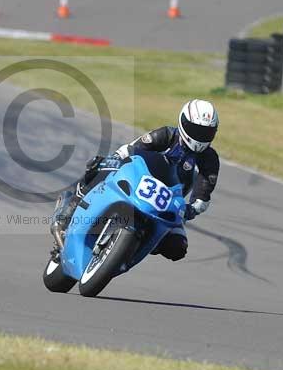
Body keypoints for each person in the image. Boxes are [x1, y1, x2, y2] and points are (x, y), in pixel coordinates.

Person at [51, 99, 219, 262]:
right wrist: (114, 159)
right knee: (98, 167)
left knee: (177, 247)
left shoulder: (210, 159)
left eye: (205, 132)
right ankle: (70, 209)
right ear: (183, 123)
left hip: (166, 203)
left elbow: (203, 196)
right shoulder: (167, 135)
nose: (200, 136)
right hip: (137, 181)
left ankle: (129, 249)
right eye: (195, 129)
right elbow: (131, 148)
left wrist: (192, 209)